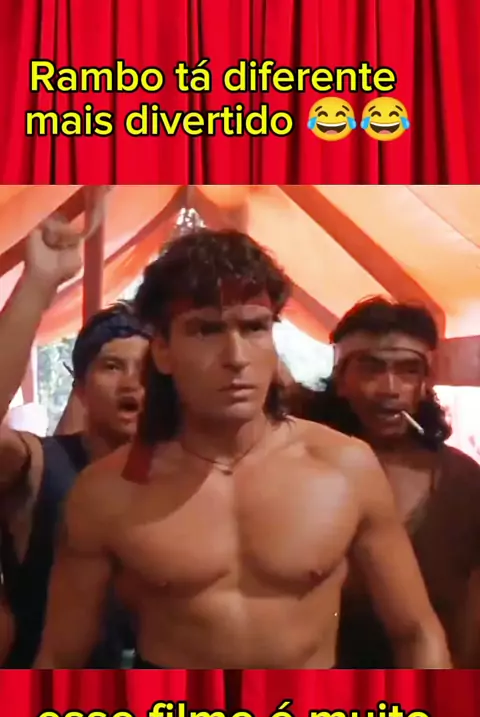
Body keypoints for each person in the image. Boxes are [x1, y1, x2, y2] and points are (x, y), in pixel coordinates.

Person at [35, 230, 451, 670]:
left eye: (254, 327)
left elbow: (417, 633)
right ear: (163, 352)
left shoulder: (345, 467)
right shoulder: (107, 492)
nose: (235, 356)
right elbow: (61, 656)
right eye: (206, 329)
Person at [291, 297, 480, 668]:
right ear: (341, 379)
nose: (390, 388)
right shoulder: (296, 468)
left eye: (408, 370)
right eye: (371, 369)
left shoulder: (463, 483)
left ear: (425, 383)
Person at [0, 217, 149, 667]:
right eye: (112, 366)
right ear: (80, 389)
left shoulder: (182, 473)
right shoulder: (42, 466)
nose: (132, 383)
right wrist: (38, 283)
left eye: (146, 370)